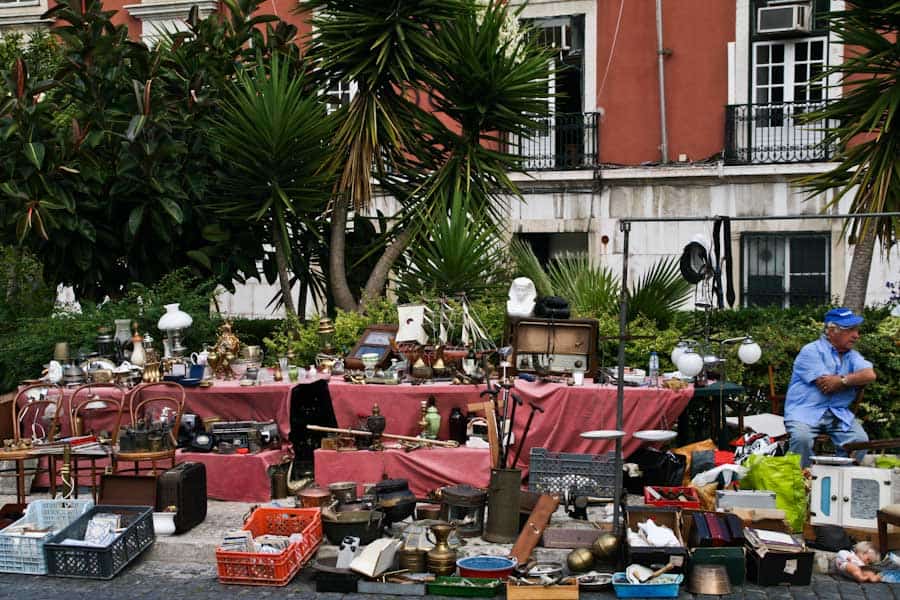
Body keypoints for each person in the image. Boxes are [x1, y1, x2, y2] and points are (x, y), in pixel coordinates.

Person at [784, 307, 877, 468]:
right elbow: (826, 385)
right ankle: (804, 479)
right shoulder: (811, 351)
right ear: (832, 331)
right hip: (805, 412)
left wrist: (842, 380)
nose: (856, 335)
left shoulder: (852, 355)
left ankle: (837, 478)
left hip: (837, 414)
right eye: (850, 330)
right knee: (802, 439)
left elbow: (869, 375)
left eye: (856, 330)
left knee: (861, 441)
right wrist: (851, 379)